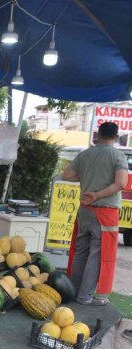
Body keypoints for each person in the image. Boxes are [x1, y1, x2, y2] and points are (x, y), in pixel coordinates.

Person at [62, 121, 128, 306]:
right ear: (115, 137)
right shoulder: (118, 155)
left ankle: (74, 292)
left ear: (98, 135)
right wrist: (98, 194)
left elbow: (66, 175)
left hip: (85, 210)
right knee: (96, 255)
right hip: (105, 211)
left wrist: (86, 179)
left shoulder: (85, 154)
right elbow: (121, 183)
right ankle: (85, 297)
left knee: (81, 251)